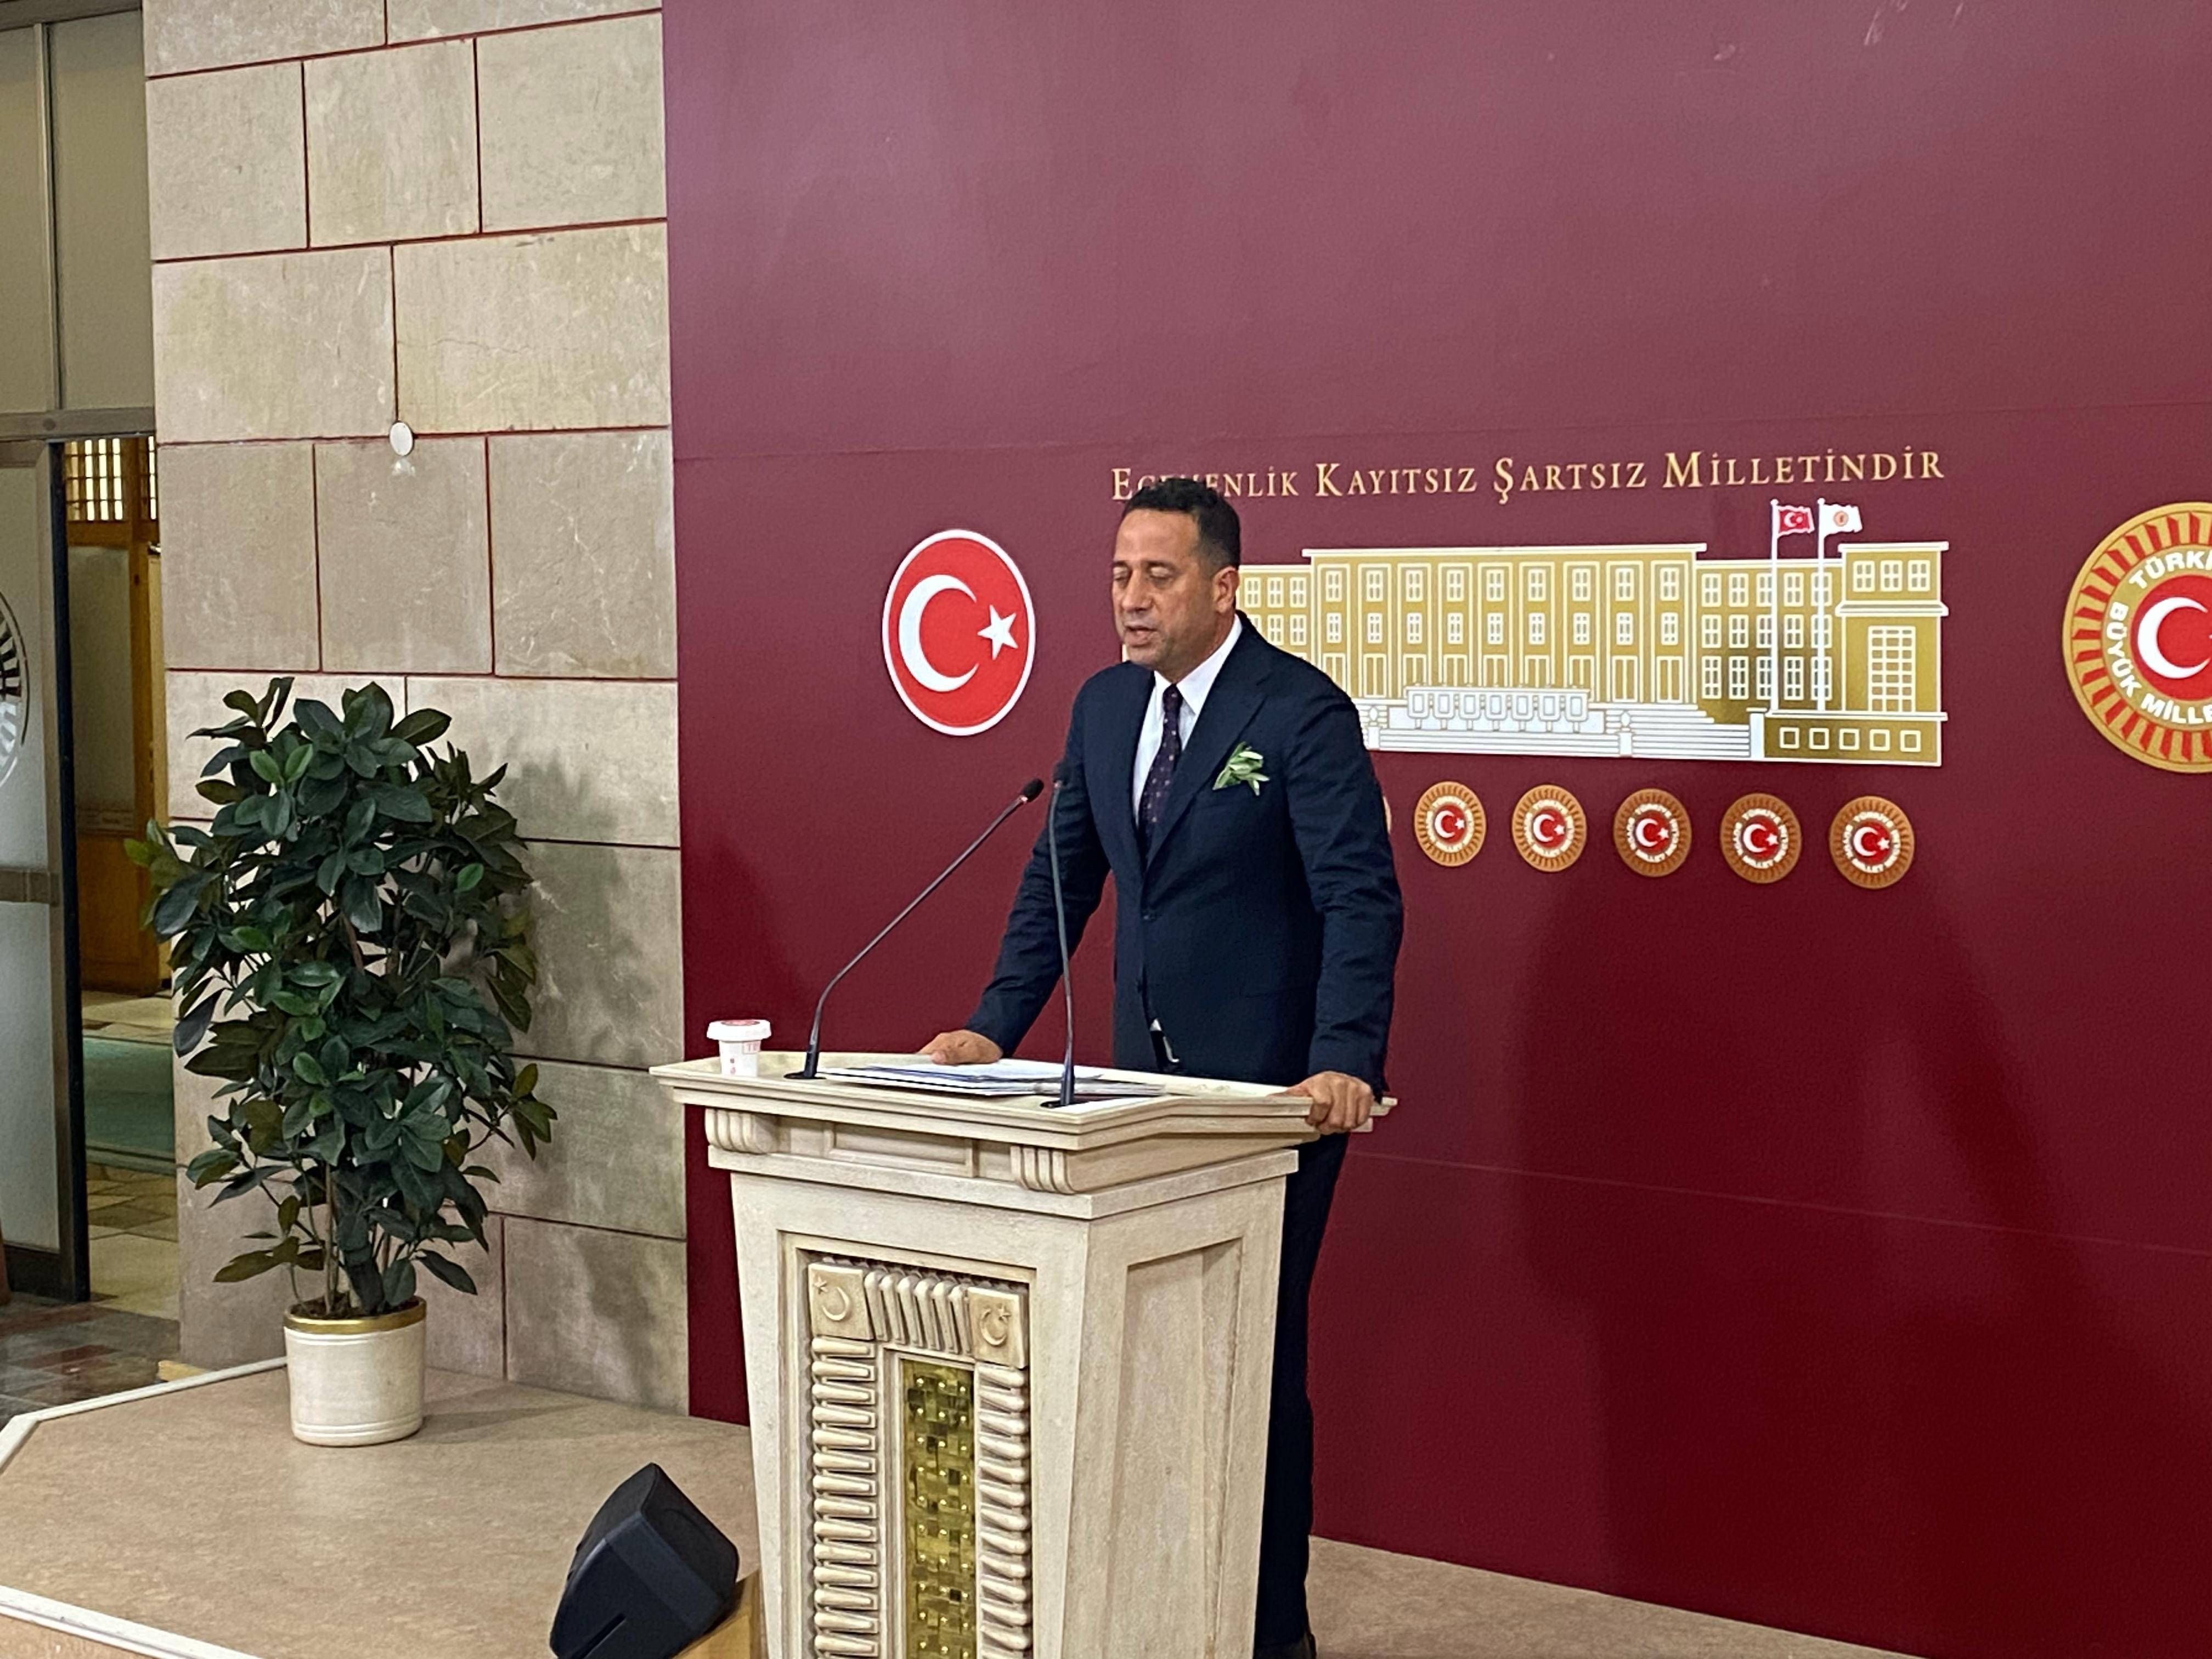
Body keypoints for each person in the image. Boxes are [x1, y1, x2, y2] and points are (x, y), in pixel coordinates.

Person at [924, 476, 1403, 1659]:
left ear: (1223, 586)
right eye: (1119, 576)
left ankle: (1269, 1632)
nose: (1131, 600)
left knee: (1253, 1360)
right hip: (1140, 1097)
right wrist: (993, 1028)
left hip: (1271, 1103)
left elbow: (1359, 897)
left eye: (1159, 576)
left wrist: (1342, 1058)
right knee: (1156, 1364)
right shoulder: (1102, 708)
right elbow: (1060, 881)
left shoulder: (1300, 712)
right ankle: (1164, 1614)